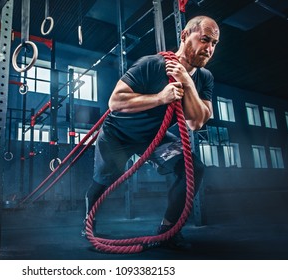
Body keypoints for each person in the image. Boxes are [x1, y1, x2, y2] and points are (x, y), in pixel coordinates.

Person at [83, 15, 220, 250]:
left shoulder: (204, 78)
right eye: (205, 39)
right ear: (185, 35)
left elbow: (196, 122)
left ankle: (167, 231)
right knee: (104, 178)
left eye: (214, 44)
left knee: (193, 168)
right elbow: (115, 101)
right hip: (119, 134)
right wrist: (160, 98)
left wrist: (186, 80)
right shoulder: (152, 64)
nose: (209, 49)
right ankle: (88, 225)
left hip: (153, 138)